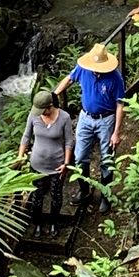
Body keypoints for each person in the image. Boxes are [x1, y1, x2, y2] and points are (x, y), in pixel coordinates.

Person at [54, 44, 125, 214]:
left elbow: (120, 105)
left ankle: (106, 196)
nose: (95, 70)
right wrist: (54, 95)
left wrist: (116, 132)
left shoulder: (115, 78)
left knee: (106, 159)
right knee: (80, 157)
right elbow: (69, 79)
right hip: (85, 118)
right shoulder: (83, 69)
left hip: (106, 119)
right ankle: (84, 189)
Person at [18, 90, 74, 239]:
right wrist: (19, 156)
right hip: (37, 164)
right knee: (37, 196)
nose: (41, 114)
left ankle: (53, 223)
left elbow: (69, 142)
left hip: (57, 165)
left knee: (56, 196)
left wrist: (66, 164)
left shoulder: (64, 118)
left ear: (50, 106)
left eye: (43, 110)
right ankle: (37, 223)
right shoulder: (34, 115)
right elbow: (26, 136)